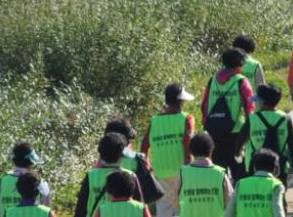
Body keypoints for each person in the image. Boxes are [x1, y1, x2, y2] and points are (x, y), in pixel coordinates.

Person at [201, 48, 255, 181]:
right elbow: (250, 107)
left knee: (219, 171)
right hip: (236, 132)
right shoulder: (241, 81)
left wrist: (207, 125)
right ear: (239, 64)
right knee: (240, 172)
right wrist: (250, 129)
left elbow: (204, 105)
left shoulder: (212, 80)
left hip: (215, 130)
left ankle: (223, 199)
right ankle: (239, 199)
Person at [142, 84, 197, 217]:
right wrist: (189, 163)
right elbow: (188, 141)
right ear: (181, 100)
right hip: (182, 170)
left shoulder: (154, 121)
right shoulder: (187, 118)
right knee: (183, 208)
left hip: (160, 173)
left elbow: (144, 146)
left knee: (164, 209)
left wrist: (148, 167)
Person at [74, 134, 142, 217]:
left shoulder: (91, 176)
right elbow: (139, 206)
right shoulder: (130, 176)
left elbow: (81, 209)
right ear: (122, 155)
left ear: (100, 153)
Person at [243, 84, 293, 187]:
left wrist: (238, 154)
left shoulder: (252, 118)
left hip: (254, 165)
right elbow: (292, 146)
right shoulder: (285, 119)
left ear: (263, 102)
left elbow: (239, 142)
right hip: (279, 165)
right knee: (278, 195)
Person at [0, 142, 52, 217]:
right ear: (32, 162)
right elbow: (46, 212)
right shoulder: (40, 183)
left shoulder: (2, 182)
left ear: (14, 160)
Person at [178, 133, 232, 217]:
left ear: (191, 151)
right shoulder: (220, 173)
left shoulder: (183, 173)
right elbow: (230, 201)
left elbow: (174, 201)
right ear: (211, 150)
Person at [225, 150, 285, 217]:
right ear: (275, 168)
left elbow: (229, 212)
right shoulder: (276, 186)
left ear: (254, 168)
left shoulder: (241, 184)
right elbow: (278, 212)